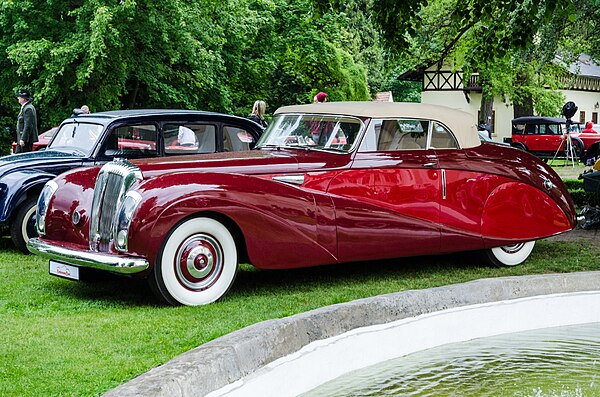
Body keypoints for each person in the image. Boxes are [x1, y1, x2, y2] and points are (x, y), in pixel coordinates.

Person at [16, 88, 38, 153]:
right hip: (22, 140)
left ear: (23, 98)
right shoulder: (26, 107)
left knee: (22, 160)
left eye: (19, 97)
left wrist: (23, 139)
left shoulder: (28, 109)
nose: (18, 98)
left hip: (25, 141)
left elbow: (28, 125)